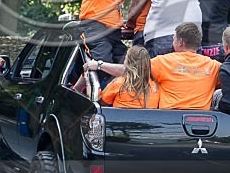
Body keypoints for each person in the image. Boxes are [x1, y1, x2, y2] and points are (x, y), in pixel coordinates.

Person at [89, 22, 219, 110]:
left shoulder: (163, 62)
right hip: (202, 123)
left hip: (168, 120)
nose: (172, 41)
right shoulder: (214, 66)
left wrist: (99, 65)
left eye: (173, 38)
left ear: (180, 42)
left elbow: (132, 70)